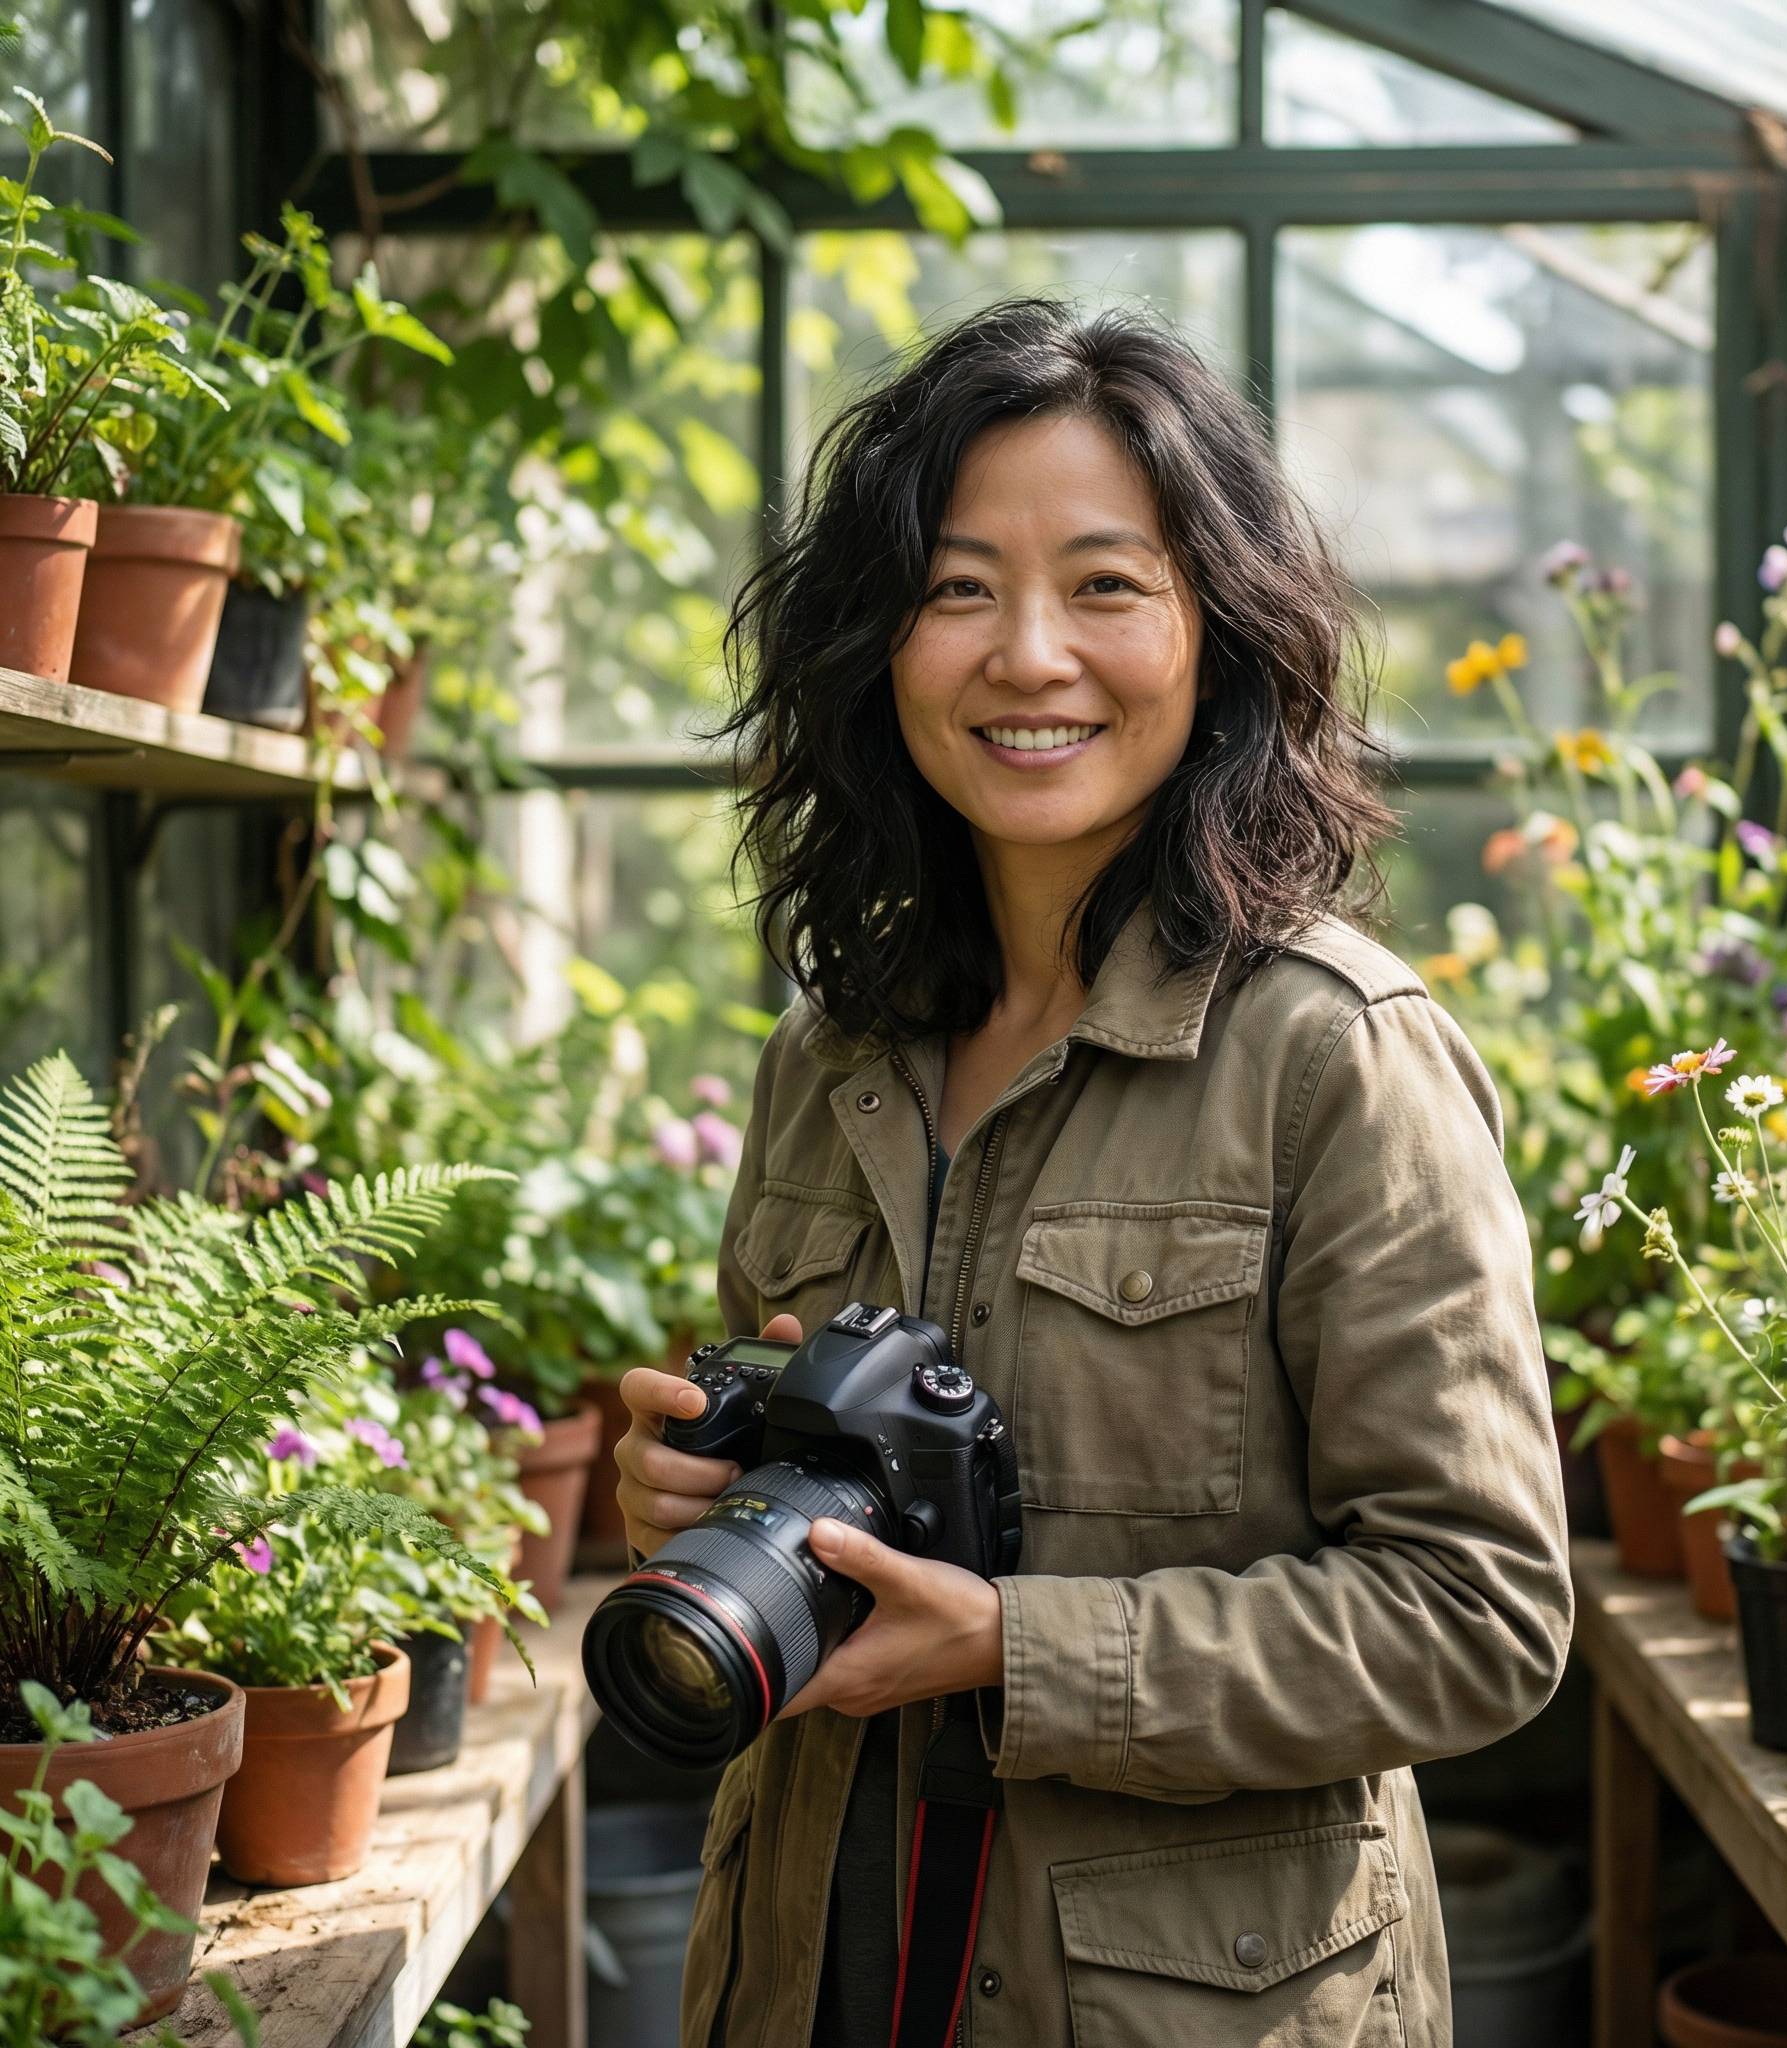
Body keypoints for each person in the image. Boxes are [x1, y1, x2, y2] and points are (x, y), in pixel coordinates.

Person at [612, 293, 1573, 2048]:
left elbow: (1477, 1614)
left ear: (1221, 635)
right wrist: (700, 1498)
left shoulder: (1332, 1058)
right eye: (958, 587)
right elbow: (816, 1479)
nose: (1027, 653)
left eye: (1107, 585)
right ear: (879, 644)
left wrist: (1013, 1650)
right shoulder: (829, 1059)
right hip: (813, 1966)